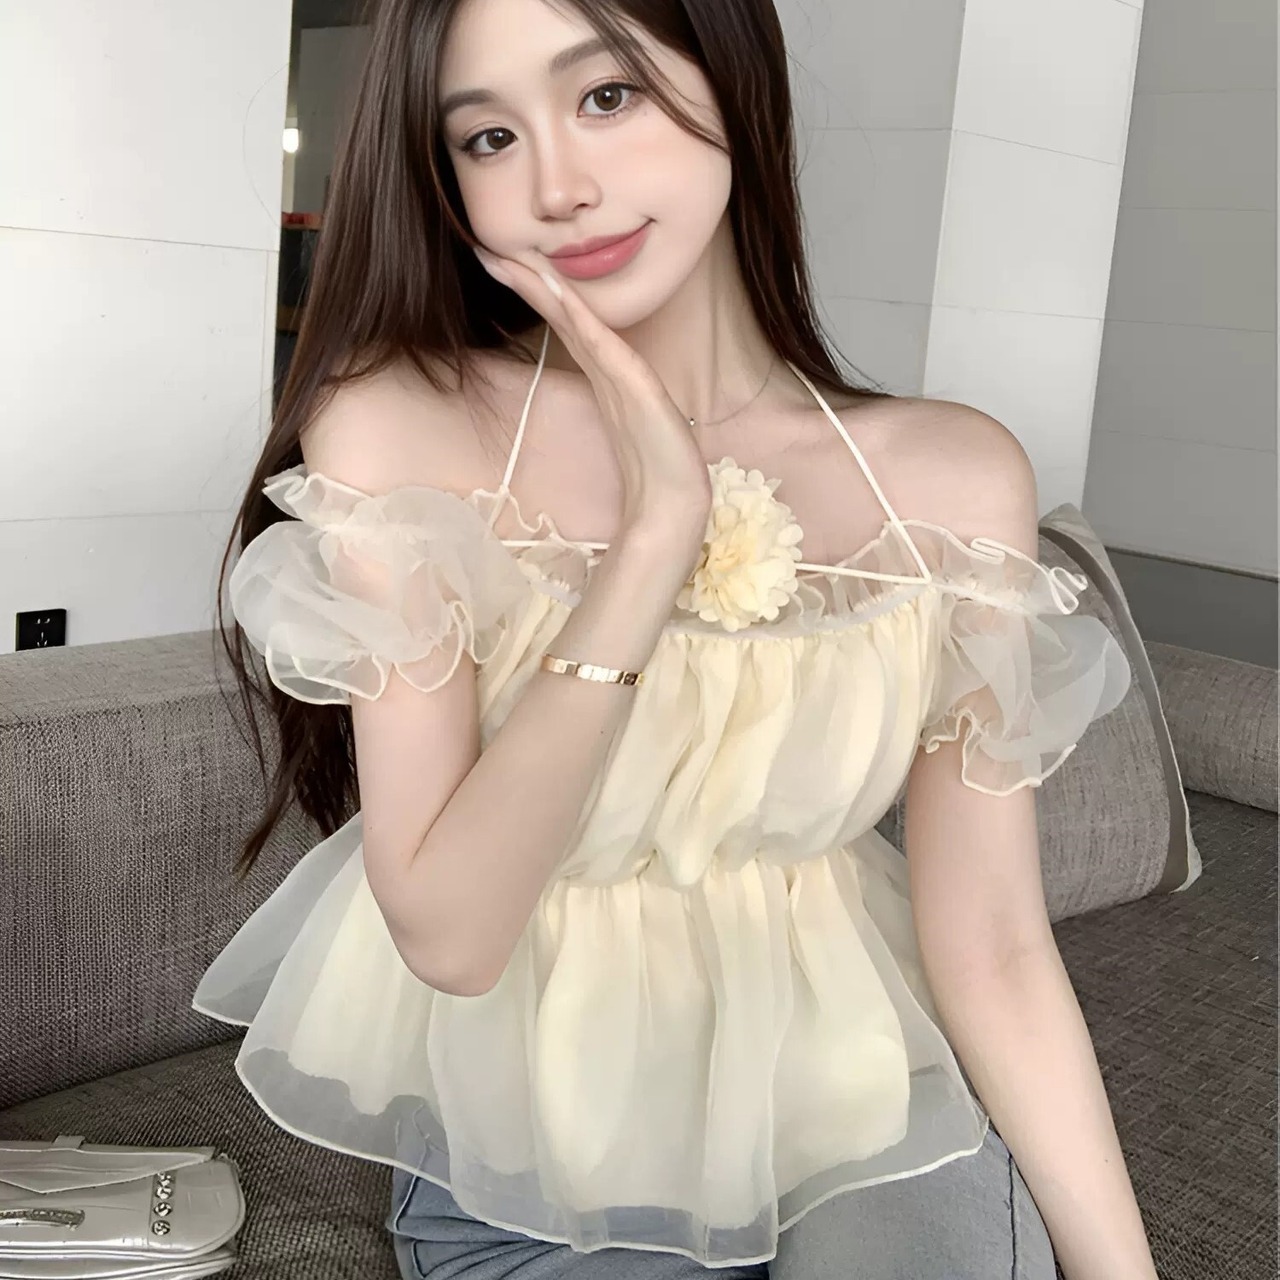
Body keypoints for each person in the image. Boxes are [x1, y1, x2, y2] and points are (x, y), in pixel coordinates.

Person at [192, 0, 1158, 1277]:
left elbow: (992, 945)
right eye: (487, 138)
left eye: (606, 96)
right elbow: (451, 934)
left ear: (732, 84)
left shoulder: (949, 477)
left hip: (861, 1122)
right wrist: (656, 533)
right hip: (541, 1177)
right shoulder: (403, 428)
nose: (555, 187)